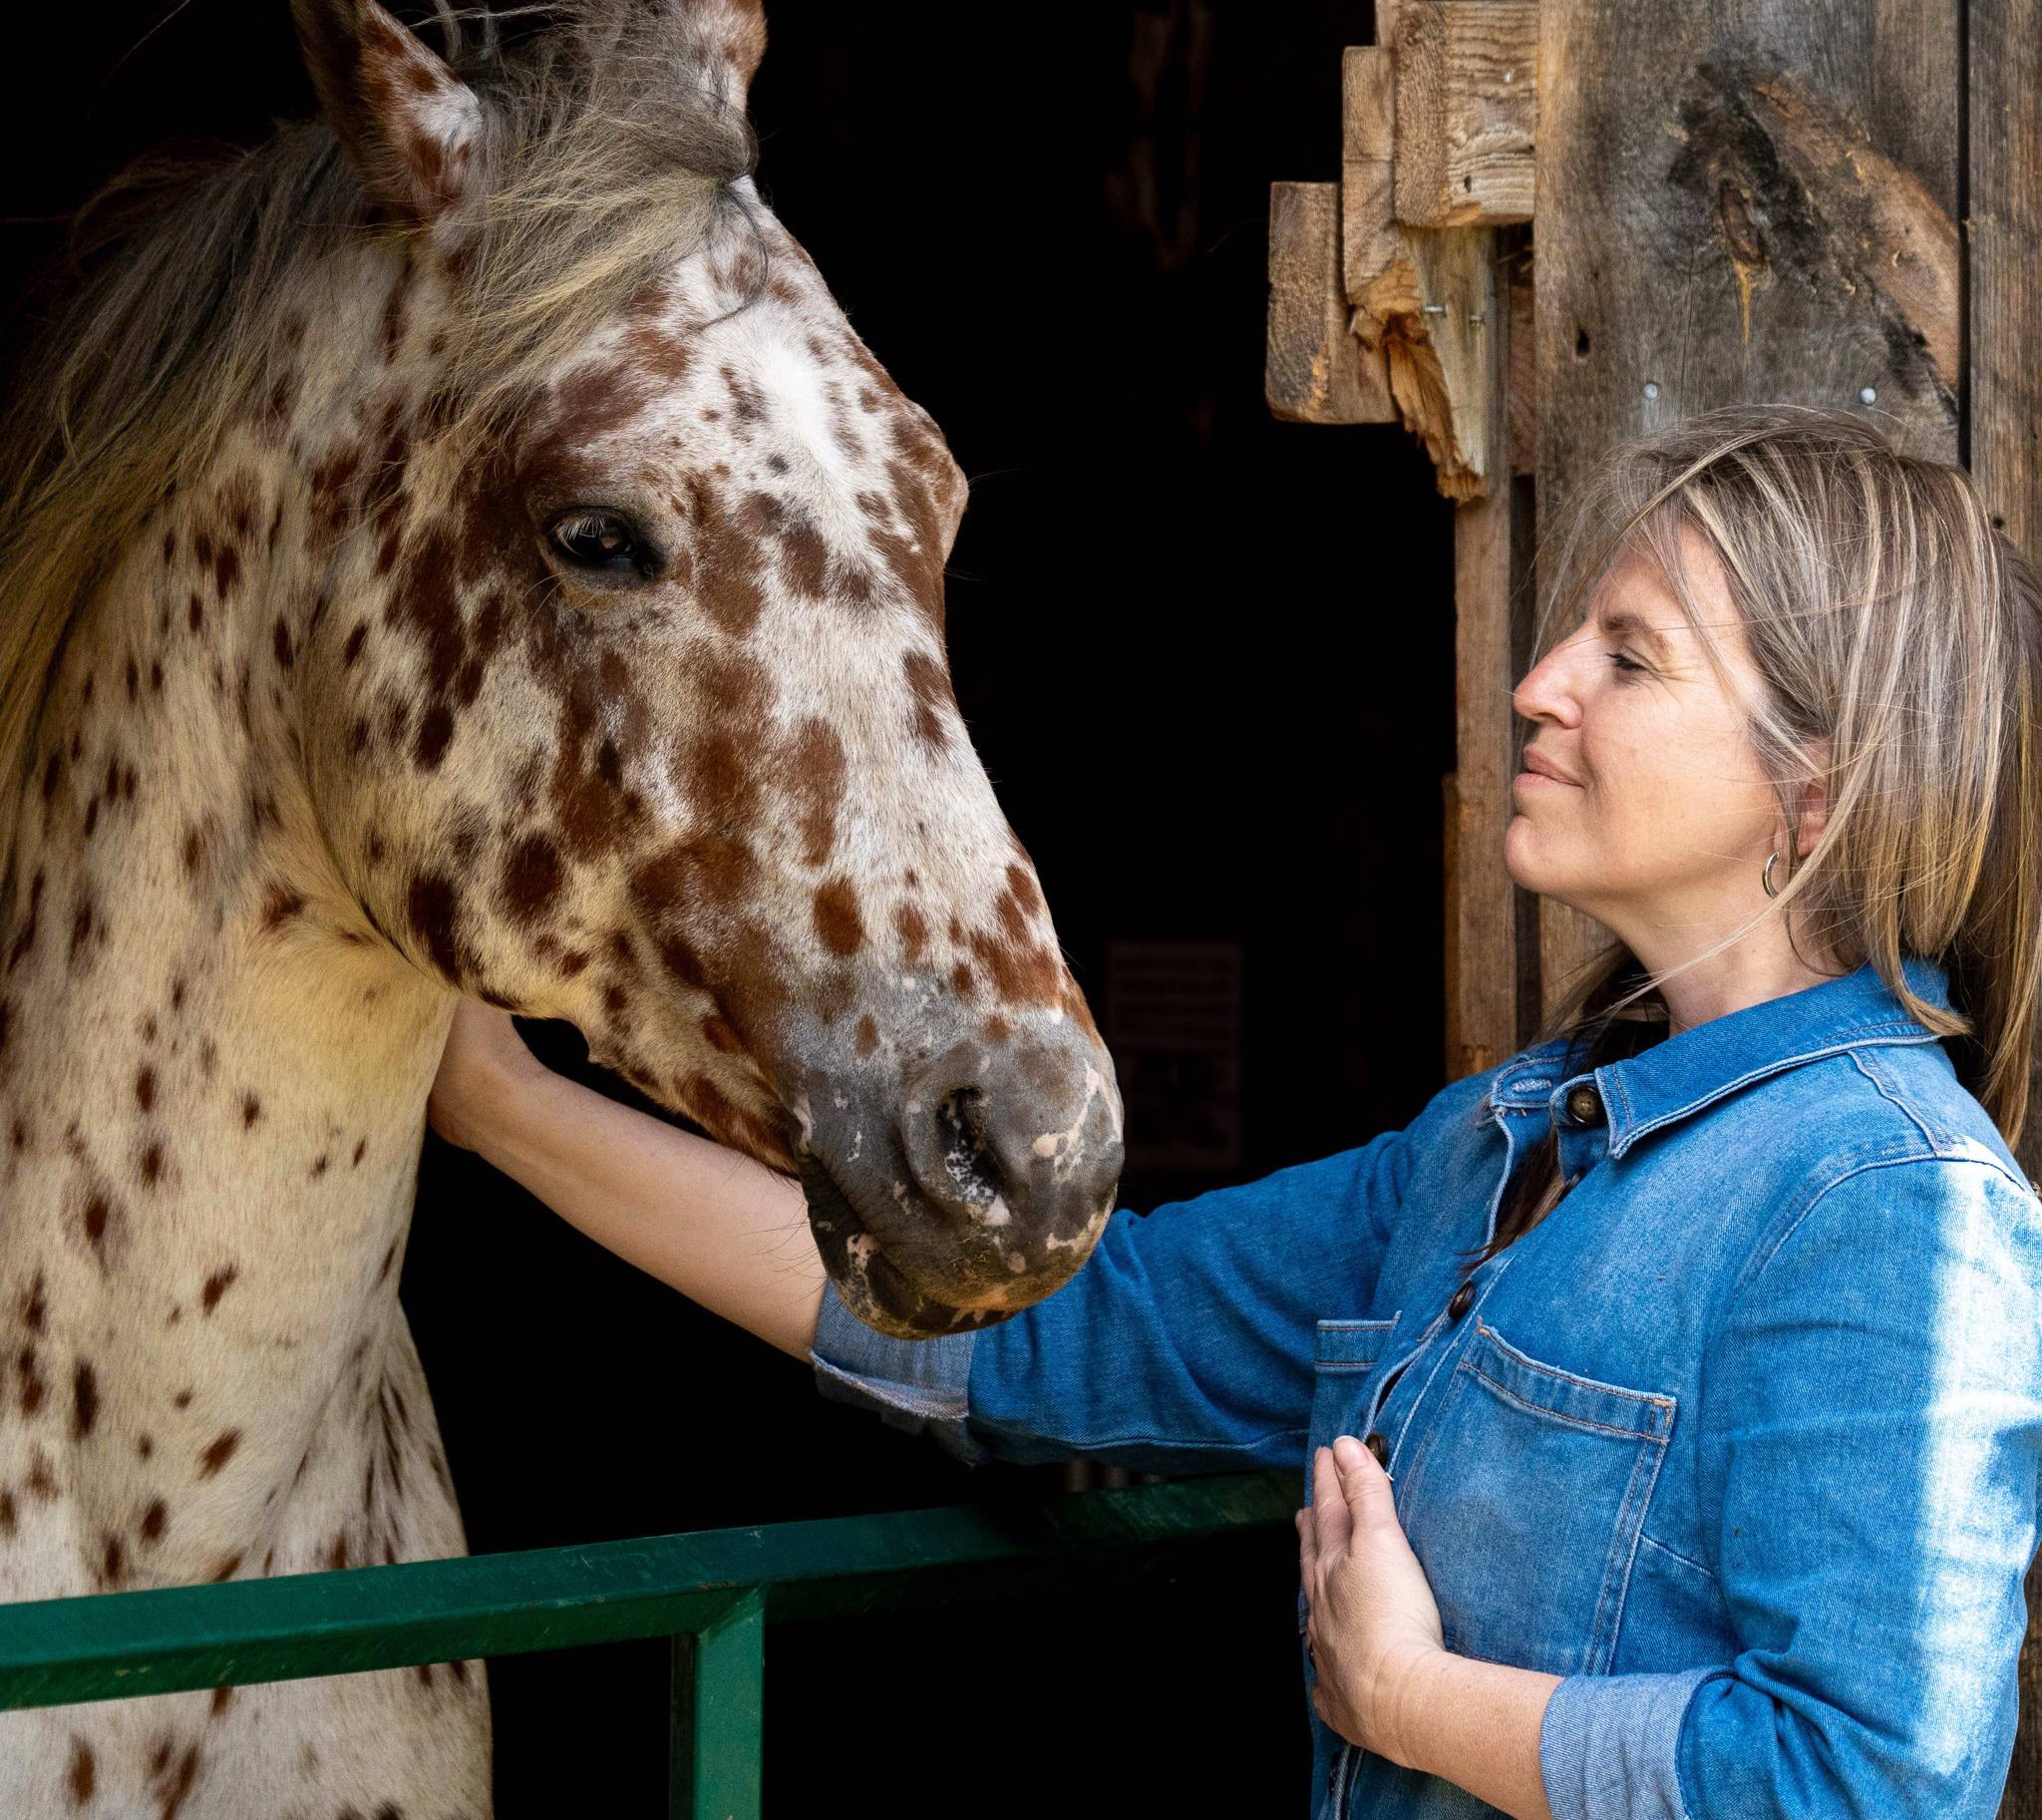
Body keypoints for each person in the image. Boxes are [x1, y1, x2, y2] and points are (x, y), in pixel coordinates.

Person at [428, 405, 2042, 1818]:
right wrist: (504, 1107)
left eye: (1629, 657)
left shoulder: (1888, 1200)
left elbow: (1872, 1782)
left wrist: (1414, 1703)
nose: (1542, 685)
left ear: (1813, 789)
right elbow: (1059, 1326)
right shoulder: (1494, 1149)